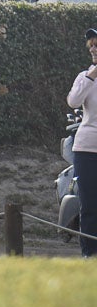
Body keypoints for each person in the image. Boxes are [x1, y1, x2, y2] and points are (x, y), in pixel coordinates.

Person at [66, 27, 97, 258]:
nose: (94, 49)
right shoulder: (84, 77)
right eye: (91, 46)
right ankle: (89, 255)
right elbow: (73, 101)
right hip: (86, 149)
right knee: (89, 205)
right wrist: (91, 76)